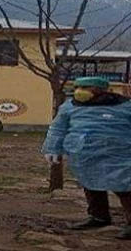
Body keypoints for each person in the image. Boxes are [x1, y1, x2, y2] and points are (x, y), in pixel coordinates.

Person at [42, 76, 131, 240]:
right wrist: (52, 148)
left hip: (118, 154)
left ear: (100, 90)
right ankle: (98, 217)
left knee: (124, 187)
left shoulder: (125, 105)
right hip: (84, 153)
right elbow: (57, 128)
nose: (79, 91)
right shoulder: (70, 106)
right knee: (90, 183)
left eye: (85, 88)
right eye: (77, 87)